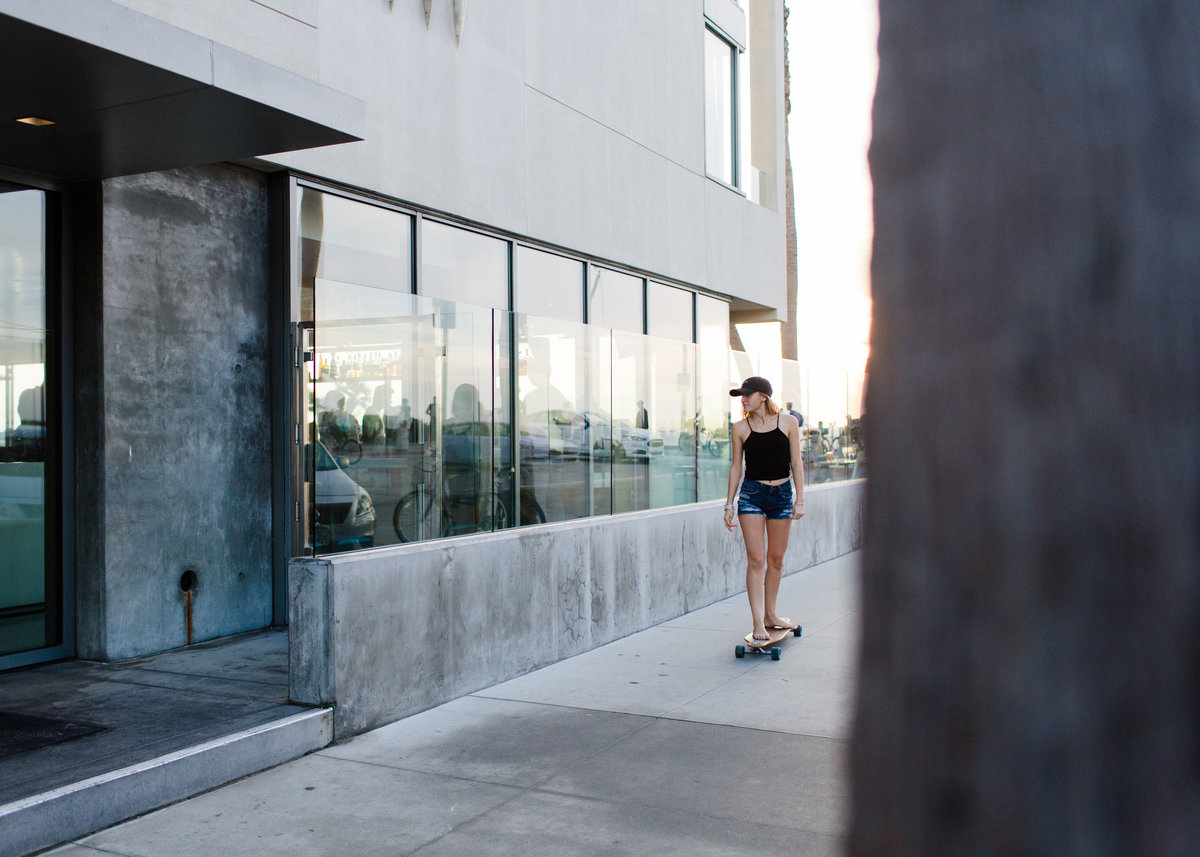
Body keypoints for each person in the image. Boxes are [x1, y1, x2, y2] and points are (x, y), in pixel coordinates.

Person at [723, 376, 806, 646]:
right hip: (752, 496)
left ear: (764, 397)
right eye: (741, 395)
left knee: (777, 559)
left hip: (782, 495)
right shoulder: (740, 428)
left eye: (748, 394)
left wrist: (800, 499)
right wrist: (729, 504)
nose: (743, 399)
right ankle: (758, 621)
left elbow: (796, 462)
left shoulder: (789, 423)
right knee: (757, 559)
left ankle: (771, 614)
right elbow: (736, 467)